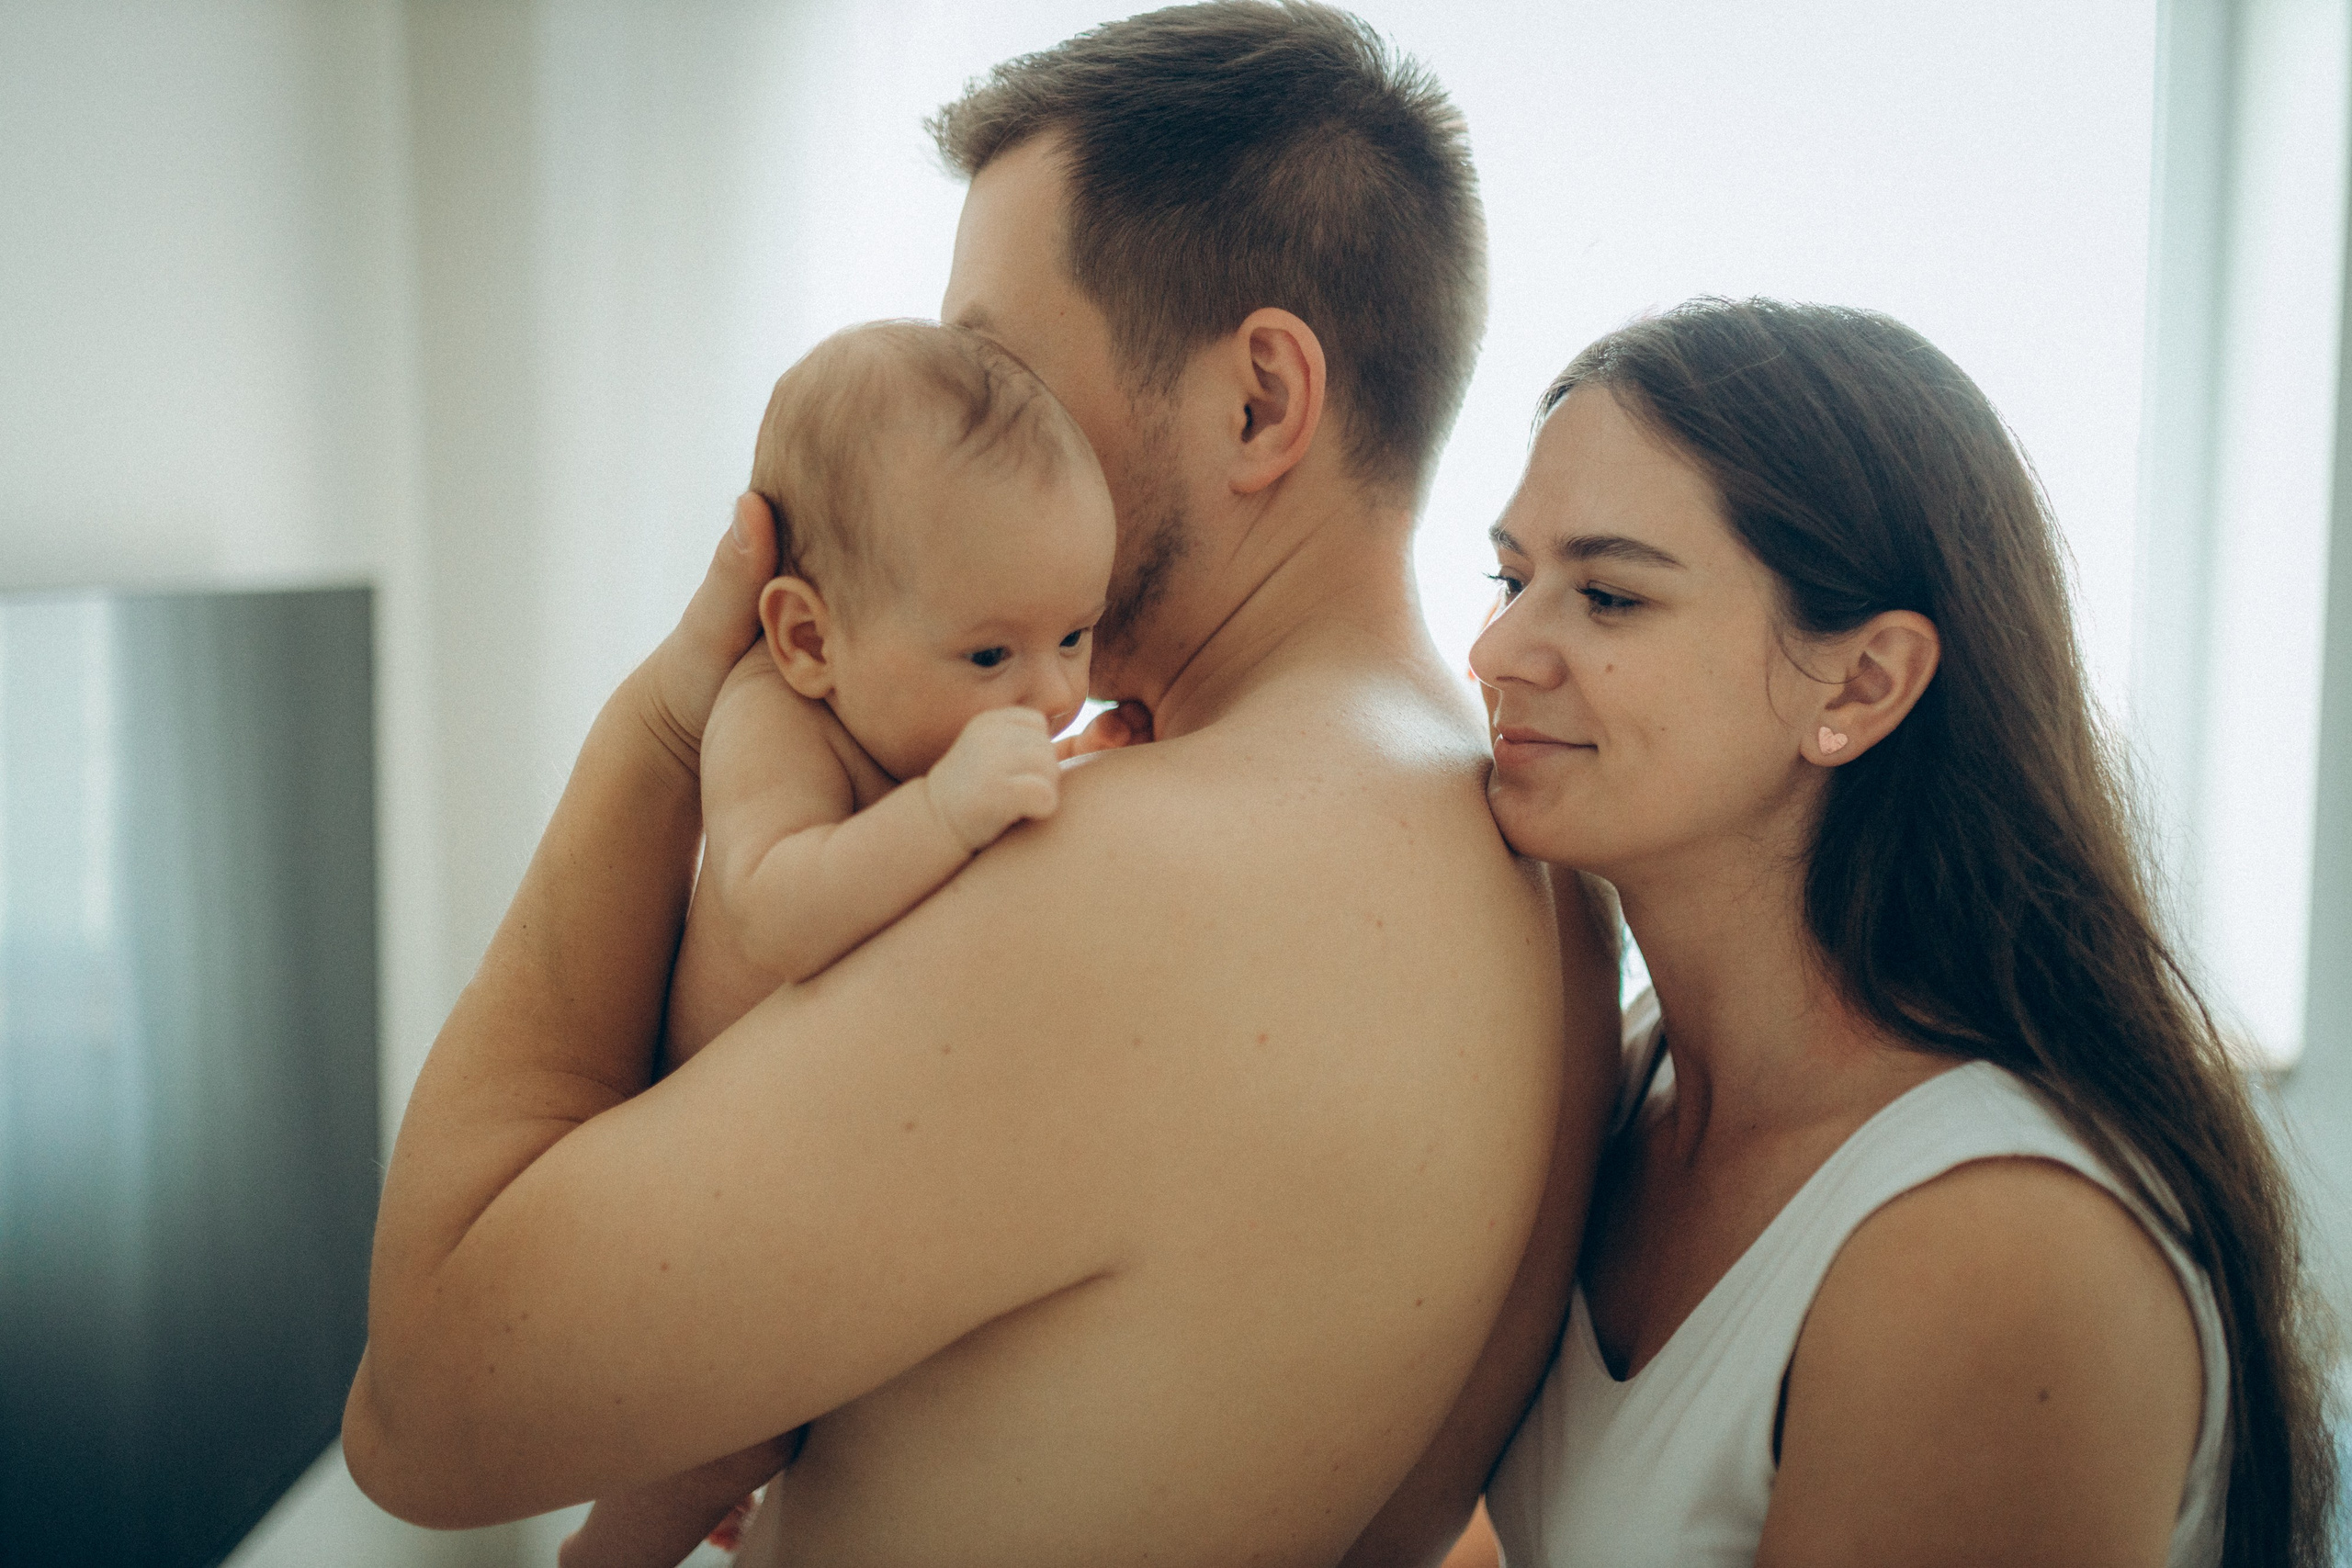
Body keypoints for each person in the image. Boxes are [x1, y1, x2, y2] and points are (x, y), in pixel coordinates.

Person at [339, 6, 1622, 1566]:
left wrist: (676, 718)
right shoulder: (1551, 884)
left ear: (1260, 403)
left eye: (993, 363)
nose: (952, 428)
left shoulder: (1128, 877)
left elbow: (423, 1408)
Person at [1364, 298, 2339, 1566]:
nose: (1499, 648)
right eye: (1510, 577)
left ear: (1863, 682)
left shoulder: (1994, 1253)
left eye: (1607, 597)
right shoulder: (1638, 1074)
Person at [560, 319, 1118, 1568]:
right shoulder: (774, 724)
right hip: (692, 1180)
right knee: (720, 1440)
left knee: (794, 1429)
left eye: (1074, 637)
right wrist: (947, 810)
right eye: (992, 653)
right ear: (810, 638)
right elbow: (775, 905)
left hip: (804, 1166)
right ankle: (605, 1556)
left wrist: (1058, 766)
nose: (1047, 694)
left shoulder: (923, 712)